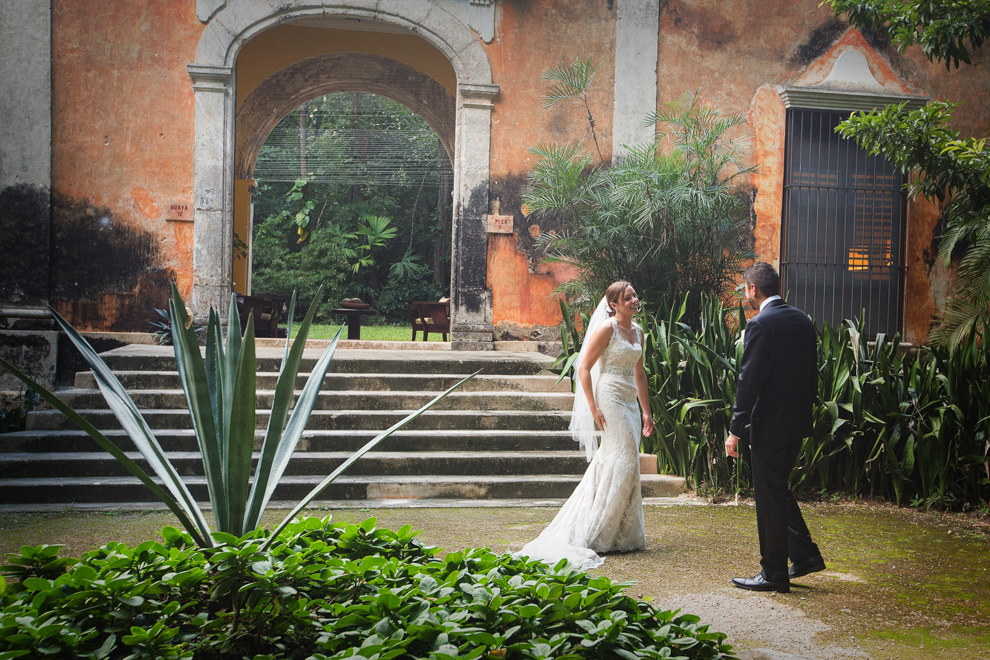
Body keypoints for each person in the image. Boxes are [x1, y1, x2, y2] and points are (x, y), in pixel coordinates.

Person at [518, 281, 654, 570]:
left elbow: (639, 374)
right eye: (627, 298)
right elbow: (583, 366)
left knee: (621, 459)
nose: (634, 300)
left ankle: (622, 532)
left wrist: (646, 411)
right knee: (624, 457)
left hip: (630, 398)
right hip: (610, 395)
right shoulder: (608, 329)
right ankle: (600, 530)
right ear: (614, 304)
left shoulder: (639, 331)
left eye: (634, 295)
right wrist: (593, 406)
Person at [726, 262, 826, 593]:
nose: (745, 294)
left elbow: (748, 382)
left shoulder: (760, 324)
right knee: (777, 488)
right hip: (797, 423)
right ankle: (805, 555)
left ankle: (773, 573)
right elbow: (812, 374)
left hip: (769, 425)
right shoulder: (802, 320)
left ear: (753, 289)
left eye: (745, 288)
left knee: (769, 497)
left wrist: (736, 429)